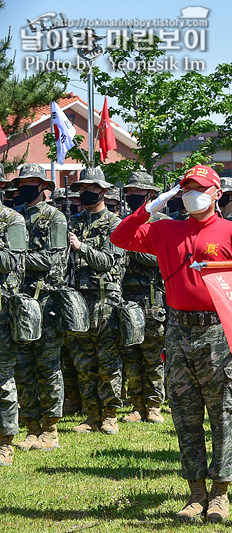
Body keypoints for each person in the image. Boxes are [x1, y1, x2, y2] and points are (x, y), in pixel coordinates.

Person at [111, 165, 232, 523]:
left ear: (216, 193)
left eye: (200, 188)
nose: (193, 194)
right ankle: (195, 492)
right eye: (186, 188)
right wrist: (149, 209)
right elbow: (120, 238)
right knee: (186, 415)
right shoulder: (165, 229)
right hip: (178, 331)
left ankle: (220, 493)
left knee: (222, 412)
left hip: (218, 331)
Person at [13, 163, 67, 452]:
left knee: (47, 366)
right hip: (19, 301)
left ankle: (51, 429)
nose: (25, 187)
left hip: (46, 302)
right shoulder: (16, 216)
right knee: (23, 366)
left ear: (43, 186)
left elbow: (53, 260)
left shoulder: (54, 218)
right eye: (22, 183)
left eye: (31, 182)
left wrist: (16, 258)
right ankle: (32, 426)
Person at [68, 168, 126, 436]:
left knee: (108, 361)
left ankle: (110, 415)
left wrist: (81, 247)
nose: (86, 192)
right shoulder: (74, 220)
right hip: (77, 299)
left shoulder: (115, 224)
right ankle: (91, 414)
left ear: (103, 191)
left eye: (91, 188)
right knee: (83, 361)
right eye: (82, 188)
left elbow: (107, 262)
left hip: (104, 300)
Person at [119, 171, 168, 424]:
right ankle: (137, 404)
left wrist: (133, 251)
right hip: (126, 299)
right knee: (131, 355)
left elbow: (163, 258)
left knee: (151, 355)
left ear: (150, 194)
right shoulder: (124, 221)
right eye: (129, 191)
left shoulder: (163, 223)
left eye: (137, 192)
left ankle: (154, 405)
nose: (132, 196)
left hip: (152, 299)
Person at [0, 168, 28, 466]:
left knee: (2, 379)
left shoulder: (12, 220)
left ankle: (5, 441)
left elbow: (15, 260)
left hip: (2, 312)